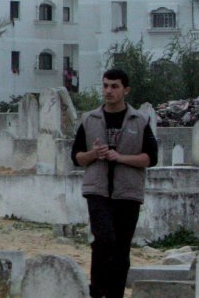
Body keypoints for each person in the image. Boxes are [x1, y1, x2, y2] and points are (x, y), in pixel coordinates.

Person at [70, 69, 158, 298]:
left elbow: (150, 158)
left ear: (126, 90)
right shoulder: (89, 119)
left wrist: (120, 158)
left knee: (121, 248)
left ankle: (115, 294)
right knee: (104, 238)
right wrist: (94, 154)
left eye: (114, 86)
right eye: (105, 85)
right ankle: (97, 290)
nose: (109, 91)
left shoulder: (140, 120)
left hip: (128, 192)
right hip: (97, 190)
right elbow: (77, 157)